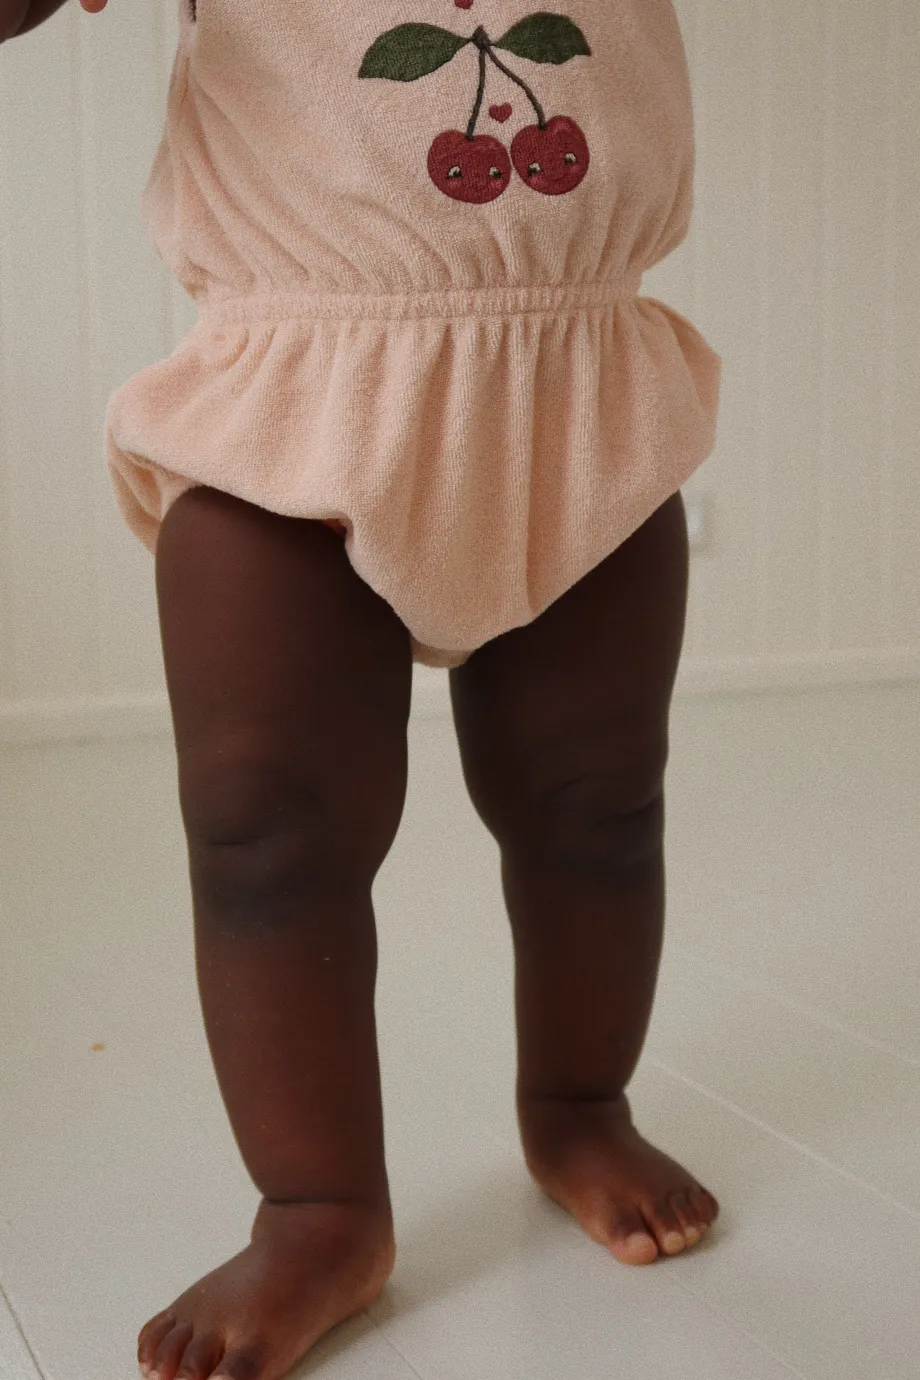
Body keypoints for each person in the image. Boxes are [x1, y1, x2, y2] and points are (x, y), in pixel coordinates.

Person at [2, 1, 723, 1377]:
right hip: (290, 385)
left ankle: (581, 1104)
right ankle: (318, 1207)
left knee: (597, 805)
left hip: (578, 379)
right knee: (263, 829)